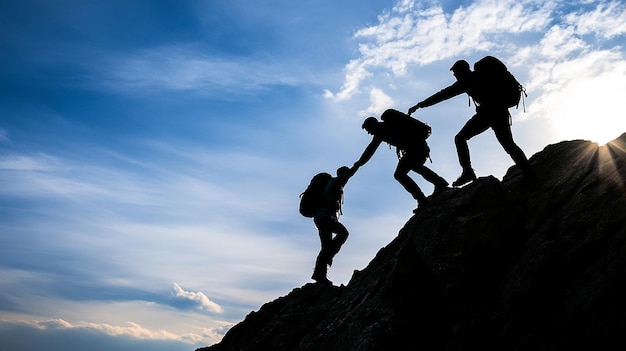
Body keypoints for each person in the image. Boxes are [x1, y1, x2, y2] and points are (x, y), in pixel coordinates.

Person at [408, 59, 537, 187]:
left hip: (489, 113)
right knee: (508, 144)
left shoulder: (467, 81)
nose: (455, 76)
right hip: (498, 112)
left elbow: (443, 95)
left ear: (462, 70)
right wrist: (421, 105)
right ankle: (528, 172)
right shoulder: (474, 78)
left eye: (455, 73)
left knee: (461, 138)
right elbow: (444, 94)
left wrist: (420, 105)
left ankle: (468, 172)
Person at [354, 116, 448, 213]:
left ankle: (424, 197)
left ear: (373, 124)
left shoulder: (382, 130)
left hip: (415, 148)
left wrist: (359, 163)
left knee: (400, 174)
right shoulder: (382, 130)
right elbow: (370, 149)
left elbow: (370, 149)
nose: (369, 132)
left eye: (369, 129)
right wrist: (360, 163)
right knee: (414, 167)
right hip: (417, 148)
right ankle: (438, 184)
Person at [311, 165, 359, 285]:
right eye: (346, 175)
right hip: (324, 217)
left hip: (320, 217)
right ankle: (323, 266)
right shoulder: (336, 182)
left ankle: (320, 275)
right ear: (342, 174)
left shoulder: (332, 184)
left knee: (326, 246)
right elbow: (352, 172)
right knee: (343, 233)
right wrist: (358, 164)